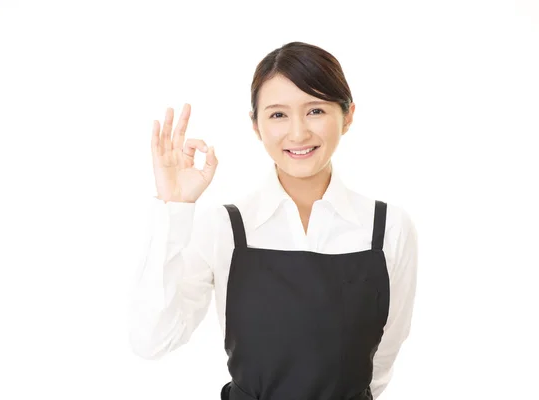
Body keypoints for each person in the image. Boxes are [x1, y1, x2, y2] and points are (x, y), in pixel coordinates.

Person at [128, 41, 418, 400]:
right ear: (256, 125)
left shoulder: (387, 227)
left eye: (315, 110)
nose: (298, 133)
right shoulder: (225, 228)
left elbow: (385, 353)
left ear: (348, 116)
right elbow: (152, 340)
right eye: (278, 115)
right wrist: (174, 208)